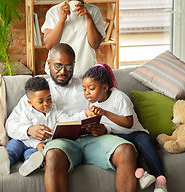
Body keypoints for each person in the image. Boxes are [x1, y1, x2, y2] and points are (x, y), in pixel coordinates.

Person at [35, 43, 136, 192]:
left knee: (126, 150)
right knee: (53, 155)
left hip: (94, 139)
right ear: (48, 63)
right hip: (62, 143)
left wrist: (104, 129)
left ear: (74, 65)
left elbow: (107, 109)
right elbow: (12, 123)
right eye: (58, 66)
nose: (63, 71)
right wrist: (29, 129)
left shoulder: (86, 84)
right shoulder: (40, 89)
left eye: (69, 67)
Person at [82, 63, 168, 192]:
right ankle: (142, 175)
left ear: (105, 87)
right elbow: (108, 127)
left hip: (135, 133)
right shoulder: (91, 104)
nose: (87, 93)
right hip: (117, 136)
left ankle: (160, 182)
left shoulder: (119, 97)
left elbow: (128, 123)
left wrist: (105, 112)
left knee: (146, 143)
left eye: (91, 88)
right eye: (84, 89)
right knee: (125, 152)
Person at [2, 75, 90, 176]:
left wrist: (85, 113)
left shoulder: (55, 110)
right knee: (14, 146)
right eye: (40, 101)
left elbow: (68, 120)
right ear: (30, 102)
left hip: (39, 146)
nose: (46, 104)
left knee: (33, 154)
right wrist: (36, 143)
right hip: (24, 141)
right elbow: (22, 133)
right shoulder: (26, 112)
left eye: (49, 99)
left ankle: (28, 166)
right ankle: (6, 161)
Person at [41, 0, 106, 78]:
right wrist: (62, 20)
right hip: (59, 73)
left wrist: (89, 19)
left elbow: (95, 44)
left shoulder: (93, 11)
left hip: (85, 71)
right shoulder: (54, 12)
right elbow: (49, 44)